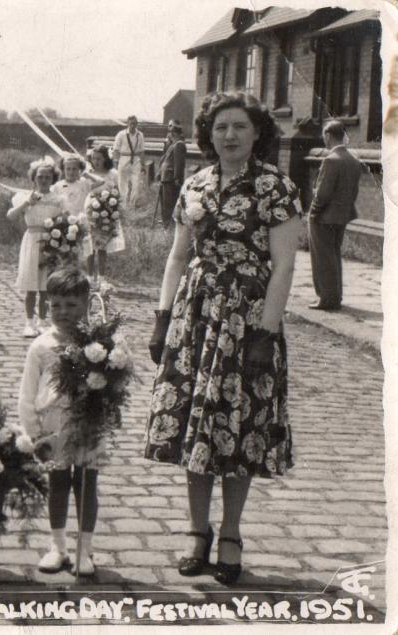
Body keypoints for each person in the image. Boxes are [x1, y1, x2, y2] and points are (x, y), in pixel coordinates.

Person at [145, 92, 303, 585]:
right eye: (220, 128)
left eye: (239, 126)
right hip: (194, 316)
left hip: (246, 319)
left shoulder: (276, 187)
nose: (229, 135)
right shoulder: (195, 183)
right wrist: (162, 316)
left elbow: (283, 267)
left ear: (257, 132)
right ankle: (198, 530)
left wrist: (265, 332)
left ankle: (231, 533)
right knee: (194, 423)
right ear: (207, 136)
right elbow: (176, 256)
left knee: (237, 425)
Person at [19, 267, 117, 576]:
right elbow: (27, 393)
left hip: (88, 422)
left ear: (87, 305)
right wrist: (34, 433)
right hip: (54, 423)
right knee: (58, 483)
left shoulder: (100, 344)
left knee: (87, 485)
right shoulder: (41, 346)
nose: (63, 312)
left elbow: (115, 385)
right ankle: (58, 546)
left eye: (71, 305)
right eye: (56, 304)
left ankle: (84, 549)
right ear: (47, 306)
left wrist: (106, 407)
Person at [6, 158, 67, 337]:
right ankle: (29, 322)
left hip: (51, 241)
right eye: (40, 176)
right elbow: (10, 216)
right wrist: (27, 204)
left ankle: (42, 321)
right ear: (34, 178)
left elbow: (64, 219)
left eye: (47, 177)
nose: (43, 180)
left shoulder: (57, 199)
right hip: (32, 240)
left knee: (45, 285)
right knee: (31, 283)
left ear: (53, 179)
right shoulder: (25, 197)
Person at [307, 119, 361, 311]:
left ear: (328, 136)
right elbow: (353, 192)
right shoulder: (353, 160)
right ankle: (335, 296)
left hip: (323, 217)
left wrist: (312, 213)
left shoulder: (331, 160)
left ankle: (327, 299)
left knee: (323, 257)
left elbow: (322, 193)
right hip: (342, 215)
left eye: (324, 136)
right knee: (334, 255)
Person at [111, 115, 145, 209]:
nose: (132, 126)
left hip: (136, 160)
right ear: (127, 124)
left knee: (137, 184)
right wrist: (116, 162)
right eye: (131, 124)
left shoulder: (140, 135)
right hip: (124, 159)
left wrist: (143, 164)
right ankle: (124, 206)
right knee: (122, 184)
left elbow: (142, 150)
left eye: (134, 123)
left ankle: (132, 205)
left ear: (137, 124)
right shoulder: (121, 134)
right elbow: (116, 150)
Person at [158, 121, 187, 228]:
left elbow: (178, 164)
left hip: (171, 179)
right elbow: (164, 160)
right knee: (165, 203)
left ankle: (169, 225)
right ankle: (166, 223)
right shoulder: (173, 144)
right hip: (166, 178)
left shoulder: (179, 145)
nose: (169, 134)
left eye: (170, 132)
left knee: (169, 204)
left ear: (174, 133)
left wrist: (177, 178)